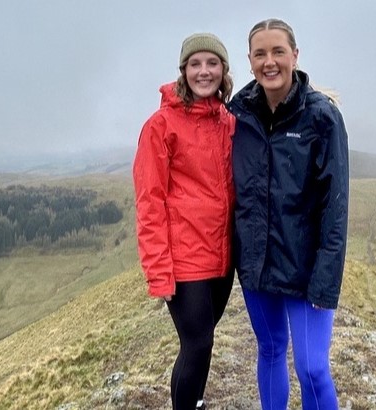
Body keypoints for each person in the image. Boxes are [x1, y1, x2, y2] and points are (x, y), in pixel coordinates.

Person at [227, 18, 349, 409]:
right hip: (256, 264)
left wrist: (326, 279)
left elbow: (336, 205)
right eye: (260, 53)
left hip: (306, 267)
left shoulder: (322, 118)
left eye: (278, 51)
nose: (269, 61)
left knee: (312, 369)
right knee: (271, 349)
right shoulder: (237, 115)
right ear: (249, 61)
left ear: (295, 55)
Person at [133, 32, 235, 410]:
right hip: (184, 260)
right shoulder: (160, 126)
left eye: (212, 63)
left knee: (199, 343)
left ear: (224, 70)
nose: (203, 71)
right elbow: (149, 202)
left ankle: (191, 402)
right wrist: (159, 271)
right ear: (183, 70)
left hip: (222, 259)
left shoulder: (228, 121)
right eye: (195, 64)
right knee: (198, 344)